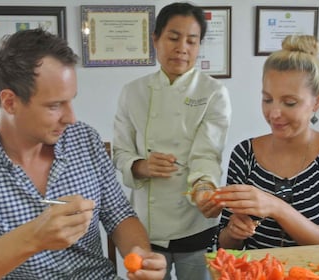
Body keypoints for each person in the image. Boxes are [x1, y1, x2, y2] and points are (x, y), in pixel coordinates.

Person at [0, 28, 166, 280]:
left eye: (71, 100)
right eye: (54, 105)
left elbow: (119, 215)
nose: (71, 118)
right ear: (10, 102)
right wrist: (33, 237)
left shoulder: (84, 140)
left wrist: (142, 256)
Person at [214, 35, 319, 250]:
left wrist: (277, 208)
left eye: (289, 102)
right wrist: (233, 232)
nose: (274, 113)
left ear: (317, 101)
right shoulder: (244, 153)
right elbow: (224, 244)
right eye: (267, 99)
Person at [113, 2, 231, 279]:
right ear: (156, 39)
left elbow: (207, 154)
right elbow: (120, 152)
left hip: (195, 222)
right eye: (174, 38)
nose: (182, 48)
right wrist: (141, 166)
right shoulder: (132, 92)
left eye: (192, 40)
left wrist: (204, 189)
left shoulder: (214, 92)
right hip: (145, 226)